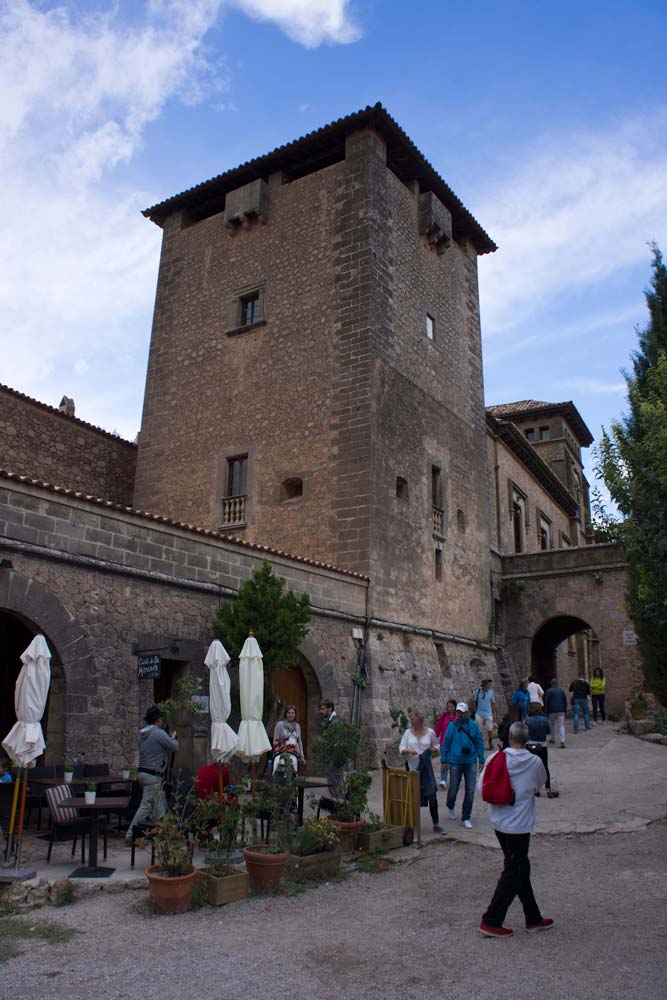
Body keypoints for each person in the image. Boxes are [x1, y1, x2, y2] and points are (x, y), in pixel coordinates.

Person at [478, 721, 554, 938]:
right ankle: (491, 920)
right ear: (526, 739)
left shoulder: (495, 758)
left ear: (509, 737)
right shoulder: (534, 762)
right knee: (513, 871)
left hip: (500, 823)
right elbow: (540, 784)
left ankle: (533, 917)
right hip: (520, 825)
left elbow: (479, 787)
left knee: (521, 868)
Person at [126, 705, 179, 839]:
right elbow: (174, 747)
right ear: (158, 719)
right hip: (152, 775)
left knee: (159, 806)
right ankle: (131, 834)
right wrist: (172, 737)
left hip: (142, 772)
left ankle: (163, 833)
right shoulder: (158, 733)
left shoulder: (142, 734)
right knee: (146, 805)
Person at [441, 702, 485, 829]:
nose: (459, 714)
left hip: (470, 761)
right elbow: (446, 743)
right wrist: (444, 760)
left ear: (466, 713)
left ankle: (466, 816)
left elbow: (479, 742)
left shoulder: (473, 726)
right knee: (453, 787)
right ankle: (450, 805)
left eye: (461, 712)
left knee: (470, 789)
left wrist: (481, 759)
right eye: (458, 712)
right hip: (455, 760)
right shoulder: (452, 726)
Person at [399, 711, 443, 833]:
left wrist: (430, 751)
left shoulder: (430, 733)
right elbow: (401, 748)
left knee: (432, 795)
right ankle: (412, 824)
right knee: (413, 797)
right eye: (412, 721)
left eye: (414, 721)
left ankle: (436, 824)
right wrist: (408, 751)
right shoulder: (408, 733)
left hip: (426, 770)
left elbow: (437, 746)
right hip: (412, 769)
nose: (412, 724)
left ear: (420, 722)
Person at [526, 704, 558, 798]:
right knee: (545, 767)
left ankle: (536, 790)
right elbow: (548, 731)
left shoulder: (528, 720)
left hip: (531, 745)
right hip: (542, 746)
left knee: (532, 767)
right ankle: (548, 789)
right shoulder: (544, 720)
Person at [272, 704, 306, 774]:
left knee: (294, 767)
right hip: (282, 752)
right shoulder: (280, 724)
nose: (291, 715)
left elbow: (299, 741)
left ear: (295, 714)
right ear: (285, 714)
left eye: (293, 713)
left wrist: (302, 756)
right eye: (289, 713)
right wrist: (278, 751)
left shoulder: (297, 726)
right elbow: (275, 740)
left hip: (294, 752)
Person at [434, 699, 457, 787]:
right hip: (444, 743)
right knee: (444, 761)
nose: (449, 708)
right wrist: (433, 738)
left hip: (455, 743)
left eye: (451, 707)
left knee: (453, 762)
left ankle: (454, 779)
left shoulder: (457, 717)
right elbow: (438, 728)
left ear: (455, 707)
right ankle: (443, 779)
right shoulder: (443, 716)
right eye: (448, 707)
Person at [474, 679, 497, 751]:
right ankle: (478, 742)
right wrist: (475, 711)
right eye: (488, 684)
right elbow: (475, 701)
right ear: (484, 685)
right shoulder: (477, 692)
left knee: (489, 728)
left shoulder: (491, 693)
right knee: (478, 729)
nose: (489, 686)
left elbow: (493, 703)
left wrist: (494, 713)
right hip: (479, 713)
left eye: (490, 684)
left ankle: (490, 741)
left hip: (488, 713)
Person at [544, 677, 567, 748]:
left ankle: (553, 738)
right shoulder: (561, 691)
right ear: (557, 683)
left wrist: (546, 711)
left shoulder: (548, 691)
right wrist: (565, 709)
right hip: (561, 710)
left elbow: (546, 701)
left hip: (552, 710)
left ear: (551, 684)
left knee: (552, 724)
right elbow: (565, 700)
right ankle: (562, 740)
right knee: (561, 725)